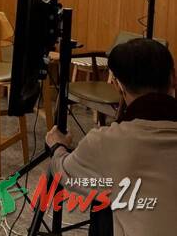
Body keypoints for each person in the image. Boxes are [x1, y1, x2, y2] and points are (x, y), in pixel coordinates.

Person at [46, 38, 177, 236]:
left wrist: (57, 146)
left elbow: (63, 172)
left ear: (118, 85)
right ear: (173, 77)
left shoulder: (106, 141)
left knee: (103, 199)